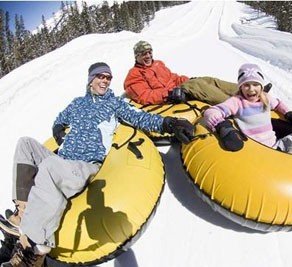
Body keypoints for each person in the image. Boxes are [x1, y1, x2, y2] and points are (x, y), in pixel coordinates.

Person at [0, 62, 195, 266]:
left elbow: (140, 118)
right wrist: (58, 127)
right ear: (90, 80)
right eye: (100, 76)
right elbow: (61, 117)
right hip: (63, 161)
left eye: (108, 77)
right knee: (25, 144)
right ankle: (22, 214)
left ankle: (33, 249)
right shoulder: (77, 103)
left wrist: (169, 124)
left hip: (84, 166)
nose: (105, 80)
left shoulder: (114, 104)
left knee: (49, 167)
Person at [123, 40, 238, 105]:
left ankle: (244, 92)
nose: (148, 56)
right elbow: (144, 96)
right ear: (137, 56)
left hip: (178, 90)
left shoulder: (158, 63)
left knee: (207, 80)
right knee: (196, 85)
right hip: (170, 98)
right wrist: (169, 94)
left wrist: (188, 80)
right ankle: (234, 105)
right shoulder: (134, 74)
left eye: (149, 52)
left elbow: (173, 78)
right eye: (143, 53)